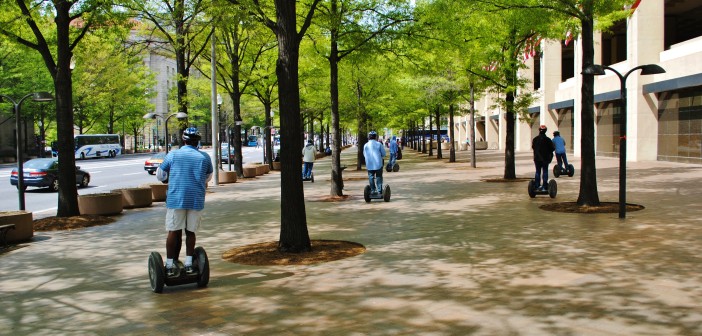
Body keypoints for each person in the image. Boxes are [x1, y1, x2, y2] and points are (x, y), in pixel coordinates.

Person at [156, 127, 213, 276]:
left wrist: (170, 178)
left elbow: (160, 175)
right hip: (196, 198)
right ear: (198, 141)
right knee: (190, 232)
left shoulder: (173, 154)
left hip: (176, 198)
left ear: (183, 139)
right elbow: (208, 177)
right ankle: (188, 264)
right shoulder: (204, 157)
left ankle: (169, 265)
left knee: (173, 231)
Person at [531, 125, 555, 191]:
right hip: (545, 158)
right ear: (545, 131)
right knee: (545, 171)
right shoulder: (548, 140)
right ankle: (544, 186)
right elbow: (552, 148)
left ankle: (537, 186)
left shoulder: (535, 139)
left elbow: (533, 147)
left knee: (537, 171)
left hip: (537, 158)